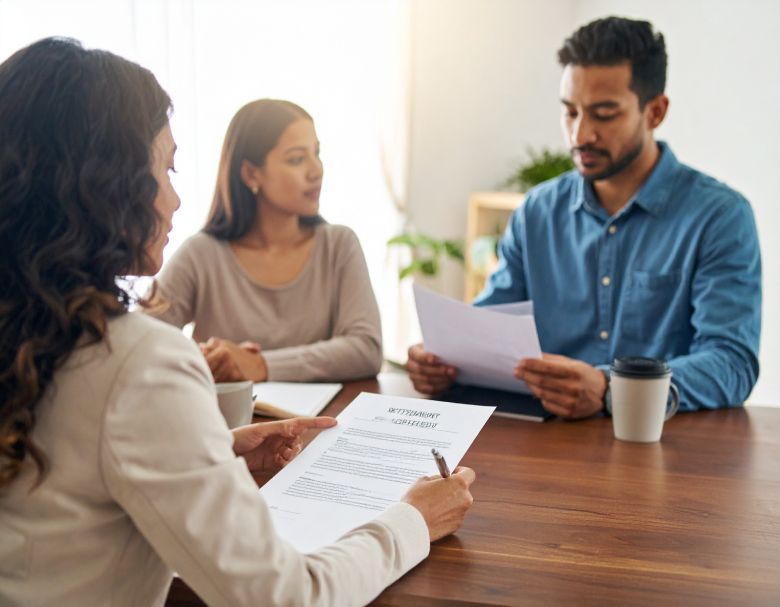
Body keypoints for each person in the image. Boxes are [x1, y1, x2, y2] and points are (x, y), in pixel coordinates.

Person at [0, 38, 475, 606]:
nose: (175, 199)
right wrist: (412, 522)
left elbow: (71, 485)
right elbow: (284, 596)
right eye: (167, 169)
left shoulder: (31, 331)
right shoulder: (137, 358)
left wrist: (210, 453)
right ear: (107, 184)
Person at [407, 16, 761, 419]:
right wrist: (445, 361)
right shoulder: (537, 211)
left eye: (604, 114)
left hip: (663, 451)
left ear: (656, 112)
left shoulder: (719, 216)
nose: (580, 135)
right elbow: (491, 324)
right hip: (541, 444)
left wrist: (614, 387)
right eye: (570, 112)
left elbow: (732, 362)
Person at [151, 99, 382, 384]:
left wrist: (260, 365)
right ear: (251, 173)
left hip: (322, 423)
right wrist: (205, 358)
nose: (316, 170)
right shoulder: (201, 255)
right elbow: (140, 339)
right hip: (226, 424)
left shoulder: (339, 245)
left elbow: (366, 349)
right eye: (297, 159)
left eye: (316, 153)